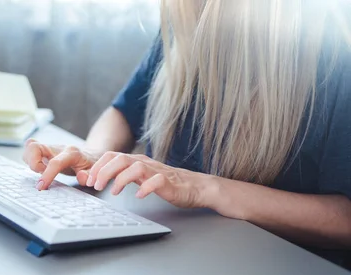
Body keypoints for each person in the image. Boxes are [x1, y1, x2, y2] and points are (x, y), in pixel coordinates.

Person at [22, 0, 351, 256]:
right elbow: (124, 112)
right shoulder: (184, 24)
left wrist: (206, 189)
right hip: (179, 253)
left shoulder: (337, 54)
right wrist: (96, 155)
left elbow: (344, 220)